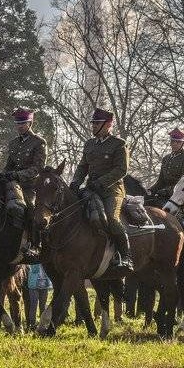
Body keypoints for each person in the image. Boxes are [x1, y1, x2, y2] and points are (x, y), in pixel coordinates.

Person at [70, 107, 133, 270]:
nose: (93, 126)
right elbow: (82, 167)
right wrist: (76, 181)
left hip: (112, 191)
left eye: (97, 123)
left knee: (112, 219)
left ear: (108, 125)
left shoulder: (119, 144)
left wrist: (101, 182)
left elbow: (121, 170)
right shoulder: (89, 144)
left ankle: (126, 257)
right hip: (91, 189)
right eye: (92, 123)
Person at [3, 107, 48, 263]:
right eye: (17, 123)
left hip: (30, 186)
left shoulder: (39, 142)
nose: (19, 126)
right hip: (12, 185)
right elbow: (9, 166)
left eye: (22, 123)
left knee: (30, 209)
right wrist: (3, 176)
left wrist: (18, 175)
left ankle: (35, 245)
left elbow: (38, 168)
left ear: (30, 123)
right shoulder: (13, 143)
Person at [148, 128, 184, 207]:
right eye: (172, 141)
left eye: (178, 142)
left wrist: (167, 191)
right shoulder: (166, 158)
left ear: (183, 143)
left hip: (178, 196)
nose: (174, 144)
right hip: (163, 193)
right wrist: (150, 190)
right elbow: (161, 181)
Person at [26, 262, 51, 330]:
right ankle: (32, 324)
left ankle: (42, 324)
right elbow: (34, 269)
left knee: (42, 306)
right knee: (33, 306)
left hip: (44, 285)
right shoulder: (34, 260)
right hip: (34, 285)